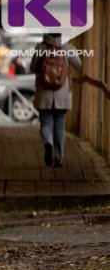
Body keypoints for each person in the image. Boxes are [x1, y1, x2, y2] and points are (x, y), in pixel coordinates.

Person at [29, 33, 82, 168]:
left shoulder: (41, 47)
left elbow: (32, 67)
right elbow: (78, 64)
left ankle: (48, 144)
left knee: (46, 123)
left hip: (44, 93)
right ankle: (58, 157)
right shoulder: (67, 47)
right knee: (60, 126)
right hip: (62, 93)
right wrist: (71, 48)